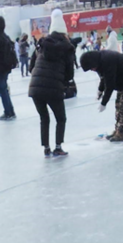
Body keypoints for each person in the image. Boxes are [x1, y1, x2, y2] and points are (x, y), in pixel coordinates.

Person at [27, 9, 74, 157]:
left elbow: (31, 66)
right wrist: (64, 83)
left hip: (35, 88)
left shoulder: (42, 44)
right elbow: (70, 73)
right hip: (53, 88)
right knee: (60, 118)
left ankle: (46, 147)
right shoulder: (67, 47)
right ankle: (58, 146)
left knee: (44, 117)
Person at [80, 49, 123, 142]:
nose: (92, 70)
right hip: (122, 81)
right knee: (118, 105)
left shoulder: (107, 60)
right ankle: (117, 130)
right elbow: (103, 77)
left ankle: (121, 133)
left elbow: (110, 85)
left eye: (91, 68)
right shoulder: (99, 61)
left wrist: (103, 103)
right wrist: (100, 90)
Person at [0, 15, 18, 121]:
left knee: (2, 90)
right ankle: (10, 110)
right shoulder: (6, 37)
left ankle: (8, 112)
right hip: (6, 68)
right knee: (4, 89)